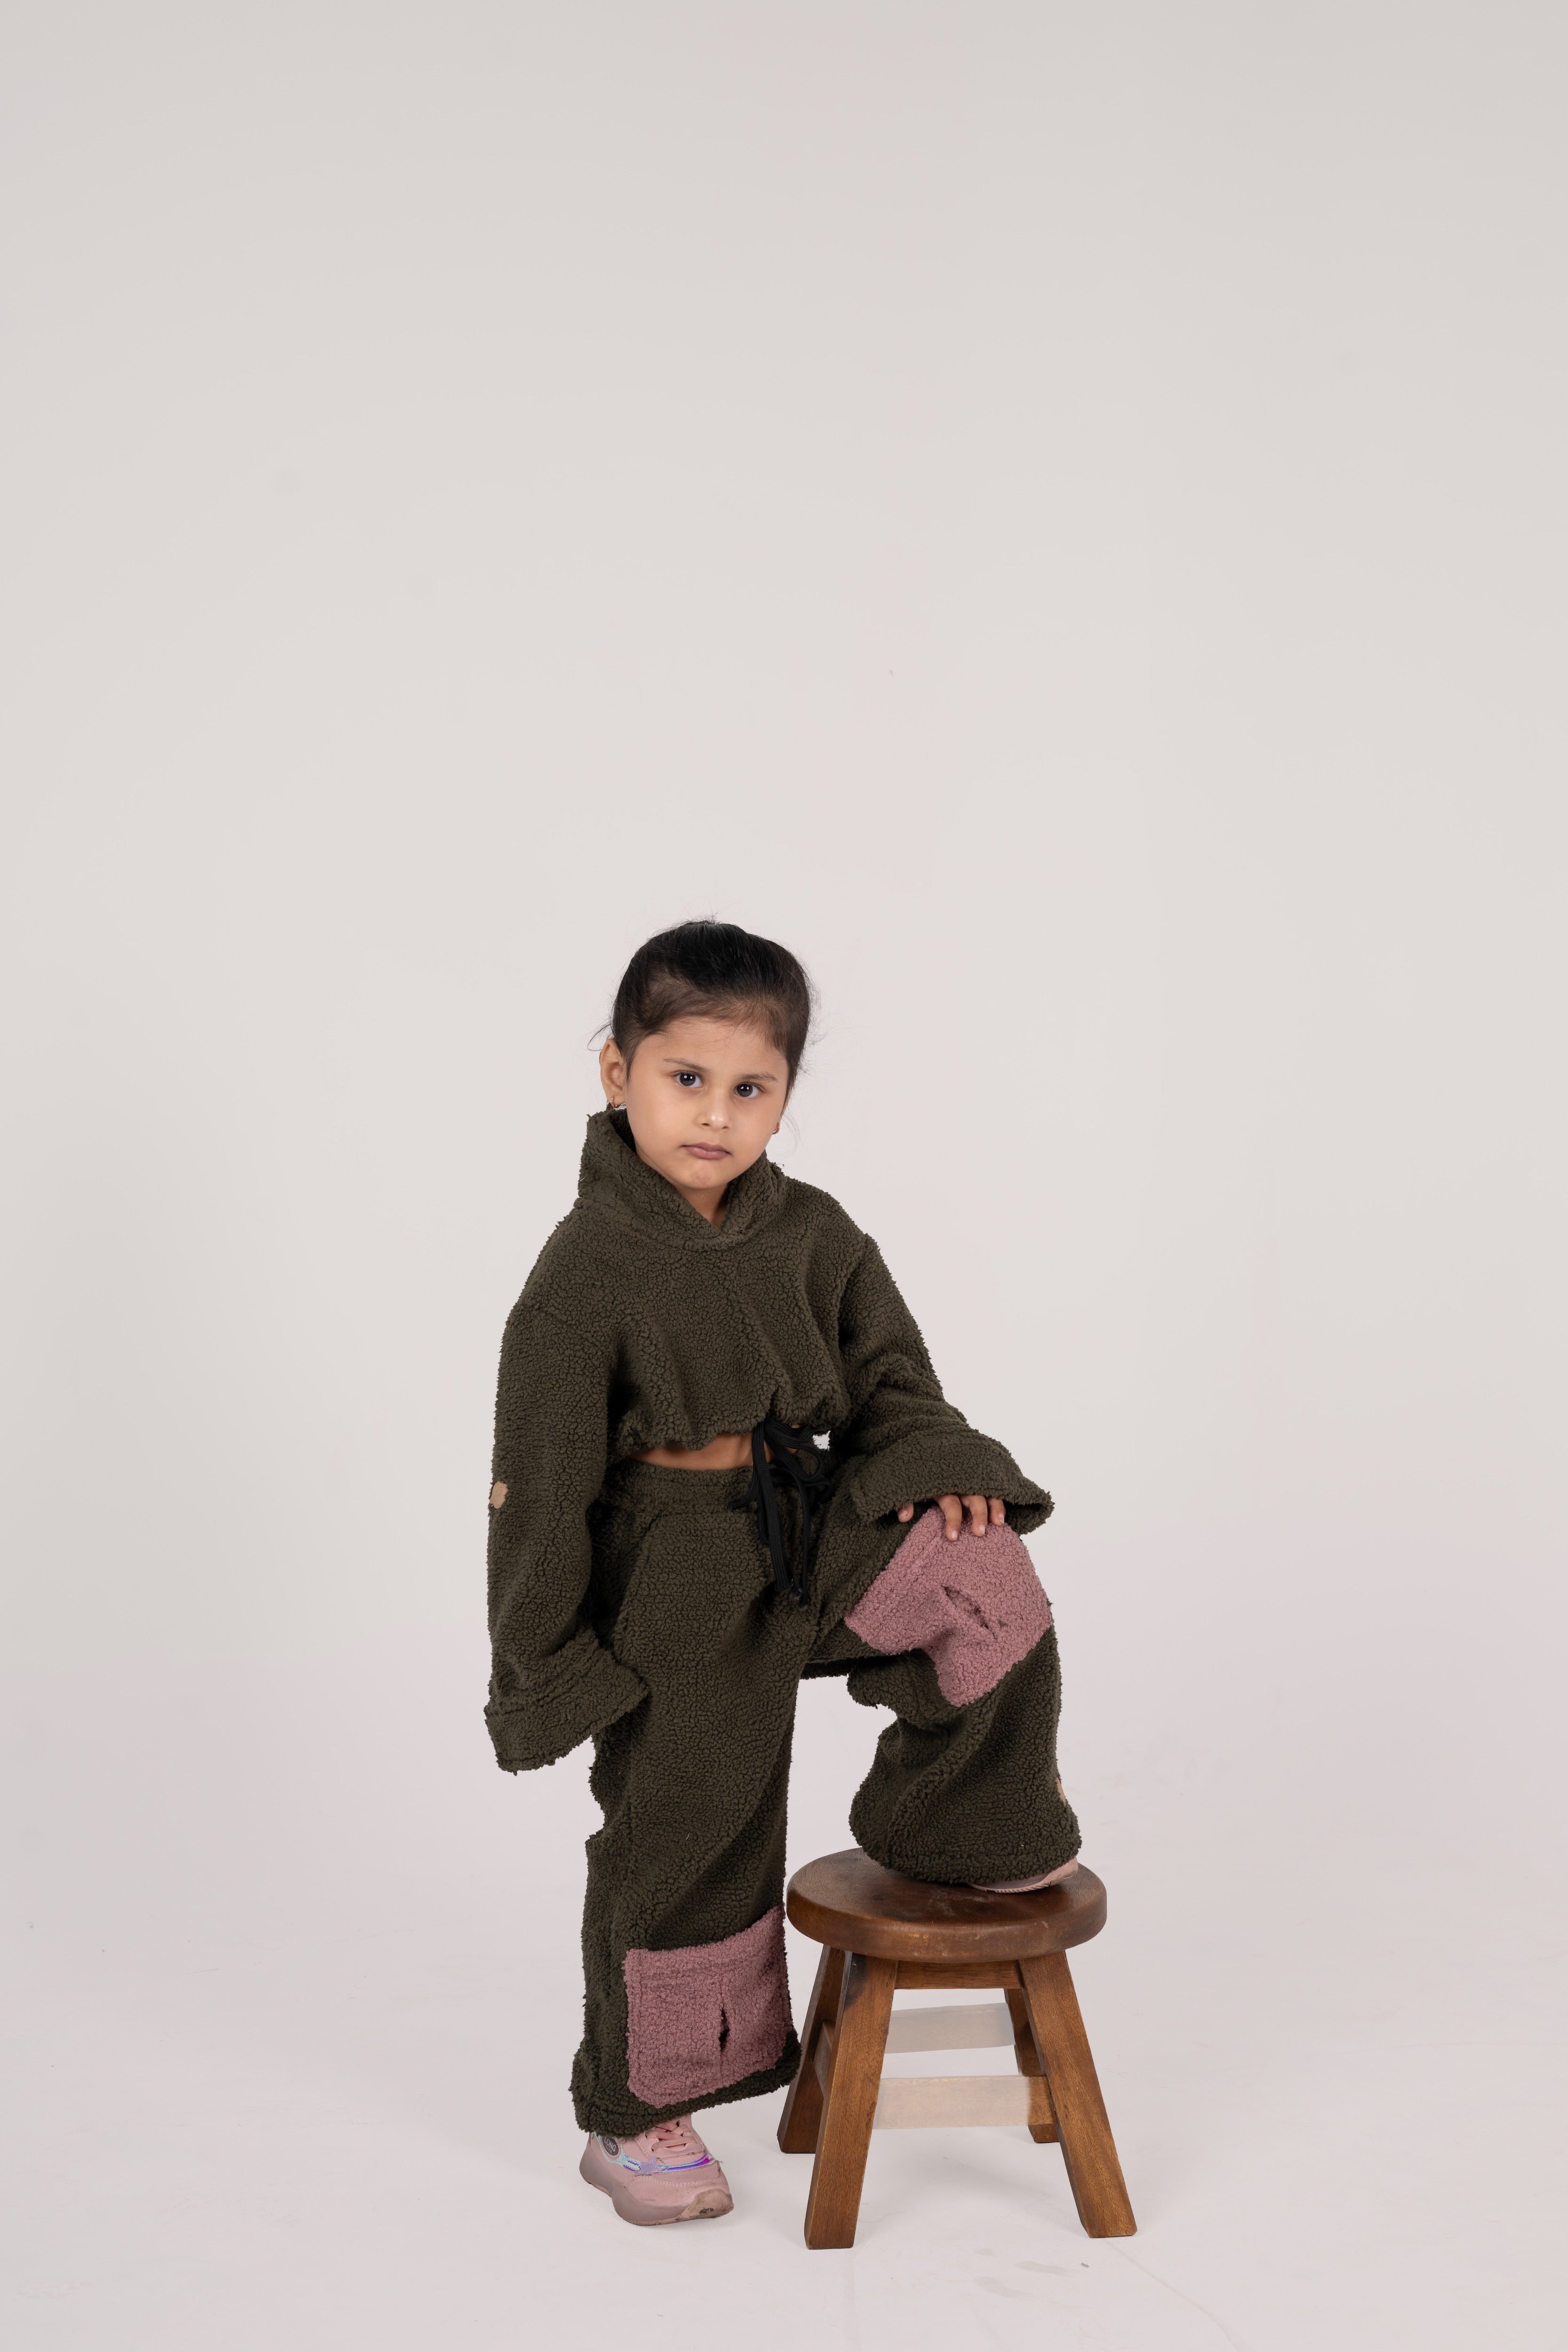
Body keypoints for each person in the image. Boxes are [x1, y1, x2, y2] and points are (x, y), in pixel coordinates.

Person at [485, 920, 1079, 2226]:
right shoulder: (581, 1276)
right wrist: (548, 1662)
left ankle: (958, 1824)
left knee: (983, 1580)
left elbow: (890, 1377)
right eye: (685, 1078)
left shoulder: (814, 1233)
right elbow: (539, 1491)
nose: (717, 1113)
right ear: (618, 1072)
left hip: (809, 1524)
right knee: (688, 1830)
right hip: (673, 1579)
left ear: (786, 1095)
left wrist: (935, 1464)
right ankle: (637, 2114)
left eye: (751, 1087)